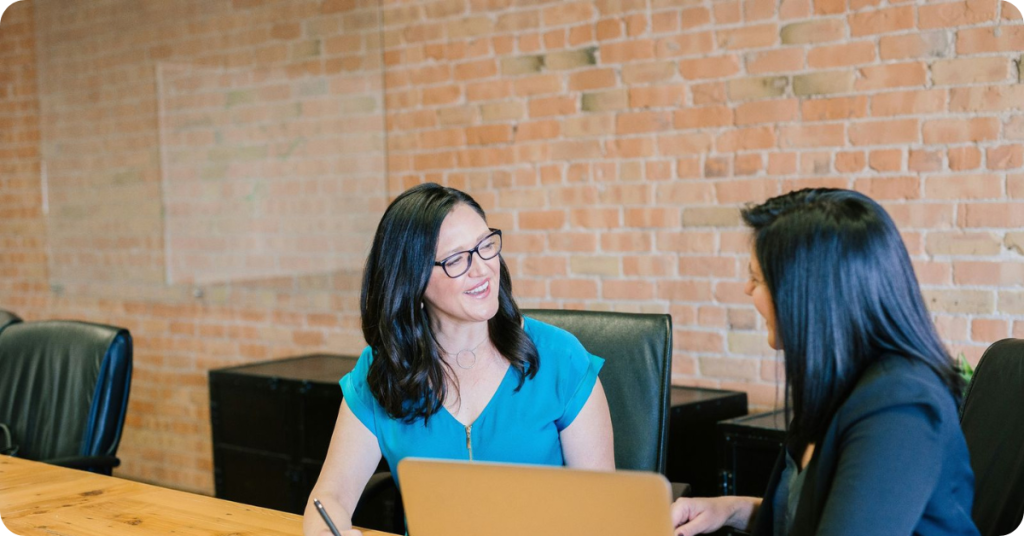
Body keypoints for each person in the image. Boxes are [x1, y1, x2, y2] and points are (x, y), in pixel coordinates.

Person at [304, 183, 614, 536]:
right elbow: (330, 497)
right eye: (456, 259)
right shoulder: (384, 370)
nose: (482, 269)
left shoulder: (560, 359)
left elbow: (600, 512)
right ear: (412, 279)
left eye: (485, 246)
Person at [672, 189, 979, 536]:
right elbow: (810, 515)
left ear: (808, 293)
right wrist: (727, 509)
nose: (747, 290)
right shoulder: (836, 383)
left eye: (757, 278)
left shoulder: (900, 407)